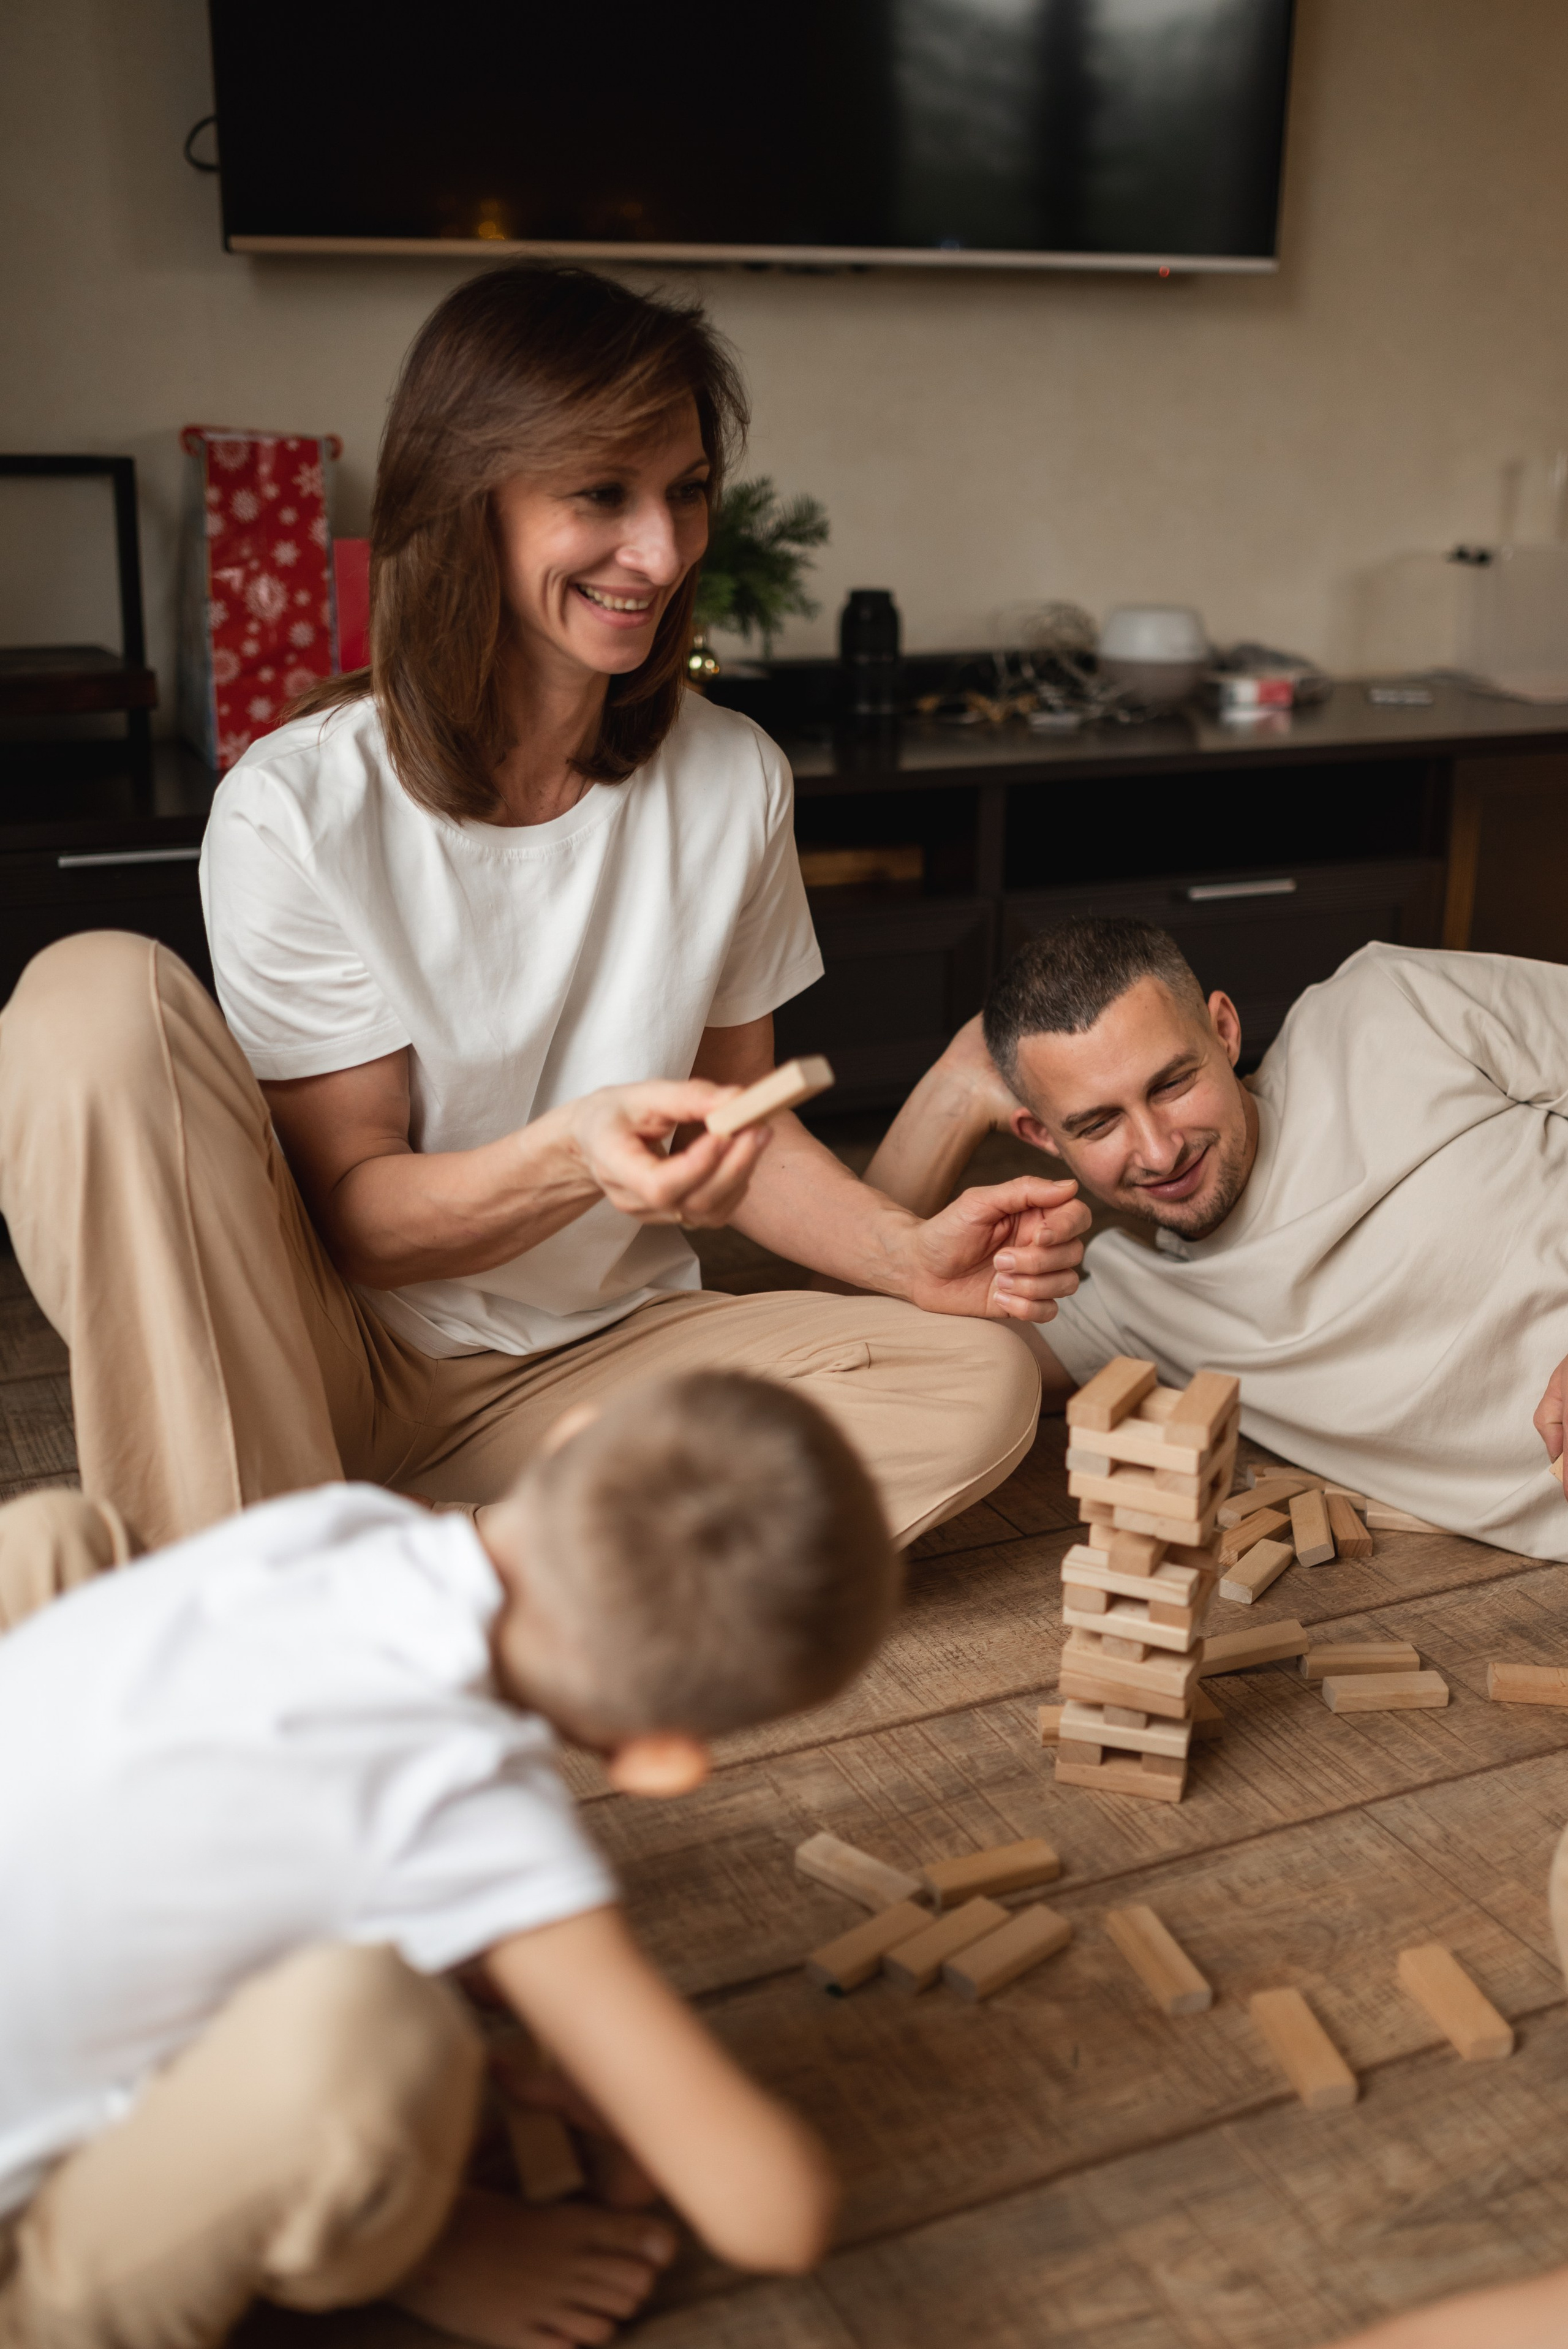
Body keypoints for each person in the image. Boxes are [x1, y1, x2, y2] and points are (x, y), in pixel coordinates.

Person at [0, 262, 1085, 1561]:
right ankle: (291, 1579)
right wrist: (575, 1150)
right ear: (471, 503)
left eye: (685, 493)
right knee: (87, 1000)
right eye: (602, 496)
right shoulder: (298, 805)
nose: (663, 550)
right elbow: (362, 1223)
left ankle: (393, 1568)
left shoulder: (731, 777)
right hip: (324, 1354)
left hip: (595, 1365)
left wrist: (912, 1257)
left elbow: (738, 1133)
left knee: (973, 1384)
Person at [0, 1369, 899, 2349]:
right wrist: (627, 2095)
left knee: (59, 1541)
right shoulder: (468, 1805)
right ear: (661, 1760)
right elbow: (776, 2215)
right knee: (372, 2032)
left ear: (568, 1435)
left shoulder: (336, 1524)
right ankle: (381, 2250)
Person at [862, 916, 1568, 1560]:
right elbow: (840, 1356)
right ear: (1041, 1137)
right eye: (1096, 1124)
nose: (1160, 1151)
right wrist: (950, 1093)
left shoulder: (1387, 1004)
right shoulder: (1128, 1309)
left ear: (1224, 1031)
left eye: (1171, 1083)